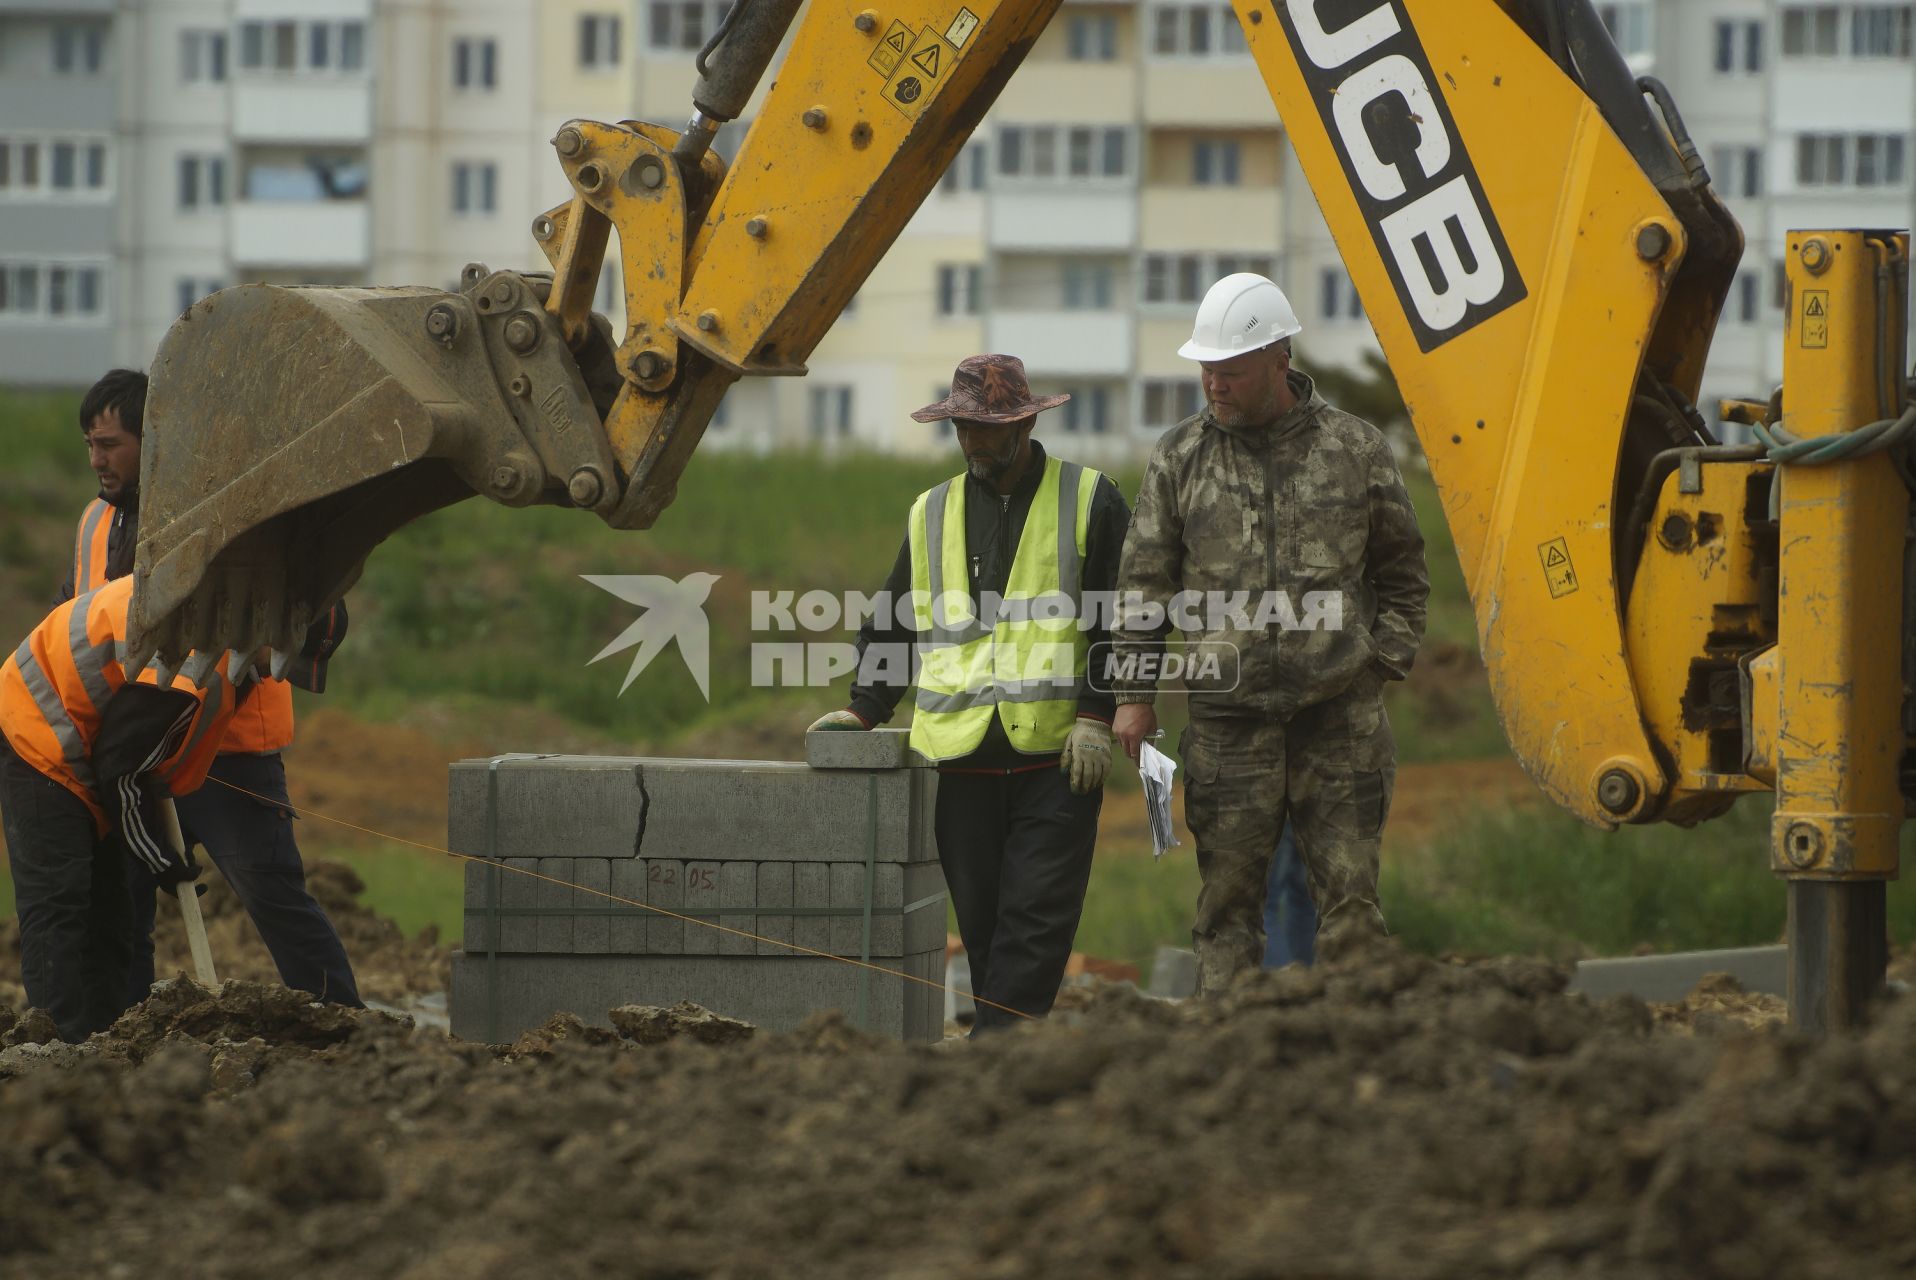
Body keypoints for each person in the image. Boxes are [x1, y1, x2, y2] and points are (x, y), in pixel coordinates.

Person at [1111, 274, 1428, 993]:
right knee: (1225, 912)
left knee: (1351, 906)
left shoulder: (1356, 450)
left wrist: (1382, 662)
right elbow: (1143, 587)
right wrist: (1134, 695)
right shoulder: (1179, 457)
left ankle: (1361, 1060)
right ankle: (1227, 1059)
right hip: (1228, 727)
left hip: (1339, 721)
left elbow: (1404, 570)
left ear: (1279, 358)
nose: (1213, 385)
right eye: (1205, 369)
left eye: (1230, 371)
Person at [806, 354, 1131, 1030]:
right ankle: (1005, 1064)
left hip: (1055, 760)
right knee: (983, 931)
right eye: (963, 429)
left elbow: (1124, 618)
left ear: (1023, 422)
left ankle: (995, 1049)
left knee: (1033, 921)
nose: (974, 443)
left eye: (987, 429)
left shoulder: (1090, 498)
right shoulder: (932, 511)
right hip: (963, 763)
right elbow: (895, 617)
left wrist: (1098, 713)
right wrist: (864, 706)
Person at [61, 370, 362, 1008]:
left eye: (111, 443)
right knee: (123, 904)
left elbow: (314, 613)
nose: (97, 459)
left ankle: (345, 1023)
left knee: (270, 890)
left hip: (226, 751)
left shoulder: (223, 522)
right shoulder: (94, 523)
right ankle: (124, 1030)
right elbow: (74, 627)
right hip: (127, 756)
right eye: (90, 443)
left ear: (156, 440)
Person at [0, 576, 269, 1041]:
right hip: (36, 728)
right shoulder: (189, 661)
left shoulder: (221, 641)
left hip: (84, 741)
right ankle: (54, 1050)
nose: (283, 676)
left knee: (113, 910)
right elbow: (120, 770)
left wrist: (154, 851)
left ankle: (106, 1042)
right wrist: (157, 856)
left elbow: (138, 758)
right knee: (59, 902)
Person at [1263, 823, 1315, 969]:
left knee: (1266, 904)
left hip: (1277, 815)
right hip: (1312, 813)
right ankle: (1308, 982)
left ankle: (1280, 979)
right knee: (1305, 902)